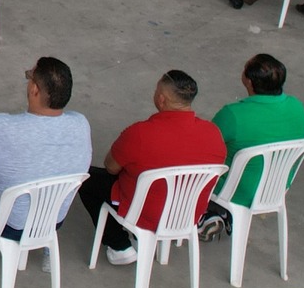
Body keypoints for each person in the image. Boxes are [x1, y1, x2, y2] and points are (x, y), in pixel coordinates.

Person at [77, 70, 226, 265]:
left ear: (161, 99)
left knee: (86, 179)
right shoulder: (213, 133)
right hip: (188, 213)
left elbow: (111, 167)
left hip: (145, 213)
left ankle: (119, 246)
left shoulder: (140, 133)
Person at [0, 55, 93, 243]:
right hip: (50, 222)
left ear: (34, 89)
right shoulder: (81, 124)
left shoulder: (1, 126)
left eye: (29, 77)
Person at [197, 53, 304, 241]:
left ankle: (206, 212)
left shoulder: (233, 114)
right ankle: (220, 213)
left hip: (237, 190)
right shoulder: (297, 107)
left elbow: (203, 146)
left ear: (248, 81)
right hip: (276, 187)